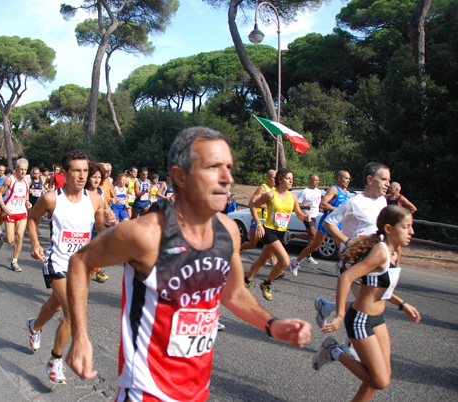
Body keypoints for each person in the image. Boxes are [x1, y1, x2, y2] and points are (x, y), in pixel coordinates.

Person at [65, 127, 311, 401]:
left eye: (228, 167)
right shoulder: (146, 234)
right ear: (180, 176)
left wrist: (271, 324)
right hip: (146, 391)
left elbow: (234, 293)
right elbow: (80, 261)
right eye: (213, 167)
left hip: (197, 391)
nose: (227, 178)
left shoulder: (228, 230)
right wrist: (80, 336)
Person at [313, 205, 421, 402]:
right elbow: (345, 278)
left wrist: (402, 304)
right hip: (360, 321)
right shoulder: (381, 252)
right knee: (380, 381)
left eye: (411, 226)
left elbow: (381, 287)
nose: (411, 231)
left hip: (377, 319)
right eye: (406, 227)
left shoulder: (395, 251)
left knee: (379, 377)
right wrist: (338, 315)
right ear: (389, 228)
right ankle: (333, 351)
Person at [25, 150, 116, 385]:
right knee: (72, 314)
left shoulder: (96, 199)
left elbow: (100, 229)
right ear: (63, 172)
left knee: (55, 306)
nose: (82, 175)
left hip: (82, 266)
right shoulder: (50, 199)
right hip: (56, 261)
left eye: (85, 171)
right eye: (77, 170)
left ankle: (34, 327)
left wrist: (109, 225)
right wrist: (35, 243)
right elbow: (32, 219)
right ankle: (55, 360)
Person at [316, 163, 391, 329]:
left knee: (370, 303)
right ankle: (351, 346)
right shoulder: (354, 202)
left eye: (389, 180)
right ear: (370, 179)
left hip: (372, 260)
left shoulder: (382, 202)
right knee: (367, 306)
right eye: (384, 179)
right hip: (353, 260)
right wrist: (347, 241)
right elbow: (329, 223)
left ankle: (327, 307)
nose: (388, 184)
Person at [244, 168, 311, 300]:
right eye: (288, 178)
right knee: (285, 262)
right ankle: (267, 284)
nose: (291, 181)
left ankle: (245, 281)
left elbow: (298, 214)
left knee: (262, 260)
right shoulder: (271, 195)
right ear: (280, 179)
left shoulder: (293, 197)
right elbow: (253, 206)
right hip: (269, 231)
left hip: (281, 233)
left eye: (292, 179)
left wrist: (305, 217)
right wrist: (258, 224)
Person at [290, 170, 351, 276]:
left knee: (343, 247)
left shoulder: (345, 191)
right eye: (346, 178)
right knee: (314, 247)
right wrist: (337, 210)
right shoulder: (334, 189)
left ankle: (340, 265)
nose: (348, 181)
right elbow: (322, 205)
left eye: (349, 179)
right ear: (339, 178)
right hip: (328, 223)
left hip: (338, 223)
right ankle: (296, 262)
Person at [0, 159, 32, 272]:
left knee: (19, 237)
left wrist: (27, 201)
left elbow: (25, 191)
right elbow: (0, 193)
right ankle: (3, 238)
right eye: (21, 169)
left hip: (22, 213)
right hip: (11, 212)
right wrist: (4, 207)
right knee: (10, 240)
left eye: (25, 169)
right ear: (16, 169)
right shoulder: (9, 180)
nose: (23, 172)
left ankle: (14, 261)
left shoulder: (27, 180)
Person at [284, 174, 321, 265]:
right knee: (313, 235)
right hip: (306, 216)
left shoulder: (318, 191)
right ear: (310, 181)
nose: (317, 182)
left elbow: (317, 203)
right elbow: (297, 204)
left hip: (314, 215)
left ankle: (292, 235)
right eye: (315, 180)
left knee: (310, 237)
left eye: (318, 180)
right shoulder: (305, 192)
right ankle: (308, 256)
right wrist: (305, 207)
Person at [85, 161, 110, 283]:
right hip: (82, 230)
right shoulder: (80, 192)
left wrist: (110, 216)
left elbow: (106, 208)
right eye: (94, 177)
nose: (96, 180)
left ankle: (95, 274)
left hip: (97, 228)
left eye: (99, 177)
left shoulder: (102, 192)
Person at [240, 169, 276, 252]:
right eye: (273, 178)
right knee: (252, 245)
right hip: (259, 219)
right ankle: (238, 249)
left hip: (269, 220)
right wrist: (265, 206)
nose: (275, 180)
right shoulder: (263, 188)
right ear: (267, 178)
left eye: (276, 178)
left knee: (271, 243)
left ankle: (271, 263)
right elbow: (251, 202)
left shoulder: (275, 189)